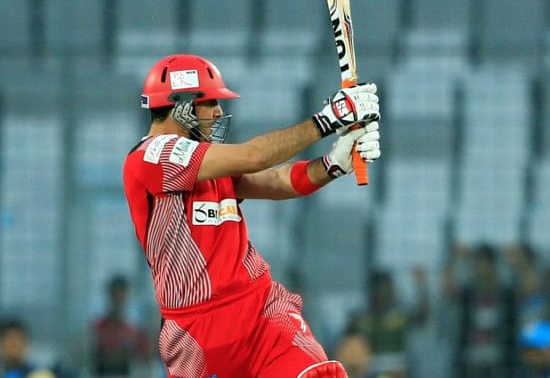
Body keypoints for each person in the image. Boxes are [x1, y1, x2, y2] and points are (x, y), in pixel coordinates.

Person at [122, 53, 381, 377]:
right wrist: (328, 120)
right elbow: (255, 157)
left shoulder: (206, 162)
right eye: (210, 102)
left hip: (261, 310)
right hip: (198, 332)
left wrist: (333, 164)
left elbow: (276, 180)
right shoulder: (151, 156)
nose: (219, 112)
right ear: (181, 105)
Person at [443, 244, 518, 378]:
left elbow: (530, 290)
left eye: (485, 263)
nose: (481, 268)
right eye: (478, 263)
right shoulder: (468, 293)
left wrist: (516, 261)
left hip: (499, 363)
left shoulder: (506, 294)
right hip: (471, 364)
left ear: (494, 265)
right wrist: (455, 259)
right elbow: (448, 290)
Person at [348, 268, 429, 377]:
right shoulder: (360, 317)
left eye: (388, 287)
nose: (384, 292)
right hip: (368, 370)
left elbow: (421, 317)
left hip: (397, 369)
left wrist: (422, 287)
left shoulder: (399, 314)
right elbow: (345, 345)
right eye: (380, 288)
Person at [90, 276, 151, 377]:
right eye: (115, 296)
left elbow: (144, 359)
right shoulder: (97, 328)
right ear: (109, 296)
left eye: (121, 296)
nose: (118, 301)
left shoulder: (133, 331)